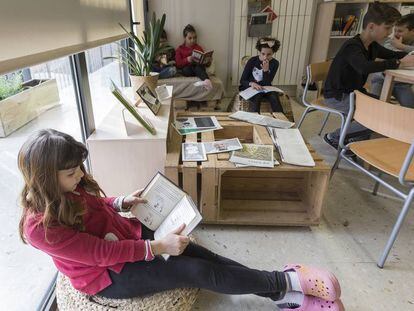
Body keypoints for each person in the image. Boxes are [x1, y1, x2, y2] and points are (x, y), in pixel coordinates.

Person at [19, 129, 345, 311]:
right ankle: (283, 283)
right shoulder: (38, 227)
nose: (79, 176)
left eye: (78, 169)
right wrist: (158, 246)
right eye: (71, 173)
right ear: (46, 177)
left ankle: (280, 292)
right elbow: (101, 254)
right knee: (198, 271)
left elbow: (93, 204)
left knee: (202, 254)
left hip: (128, 238)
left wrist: (119, 202)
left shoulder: (70, 186)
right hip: (108, 276)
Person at [323, 2, 414, 149]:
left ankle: (354, 141)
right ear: (371, 26)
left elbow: (393, 54)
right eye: (387, 28)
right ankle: (335, 137)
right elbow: (364, 67)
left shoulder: (372, 45)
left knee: (386, 109)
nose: (390, 33)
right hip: (337, 96)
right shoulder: (352, 46)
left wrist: (408, 55)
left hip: (354, 94)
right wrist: (399, 63)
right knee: (380, 117)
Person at [370, 13, 414, 108]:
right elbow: (391, 56)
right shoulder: (390, 42)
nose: (396, 34)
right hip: (381, 79)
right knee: (374, 106)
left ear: (412, 31)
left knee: (411, 108)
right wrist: (400, 47)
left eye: (400, 31)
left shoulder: (400, 44)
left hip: (401, 83)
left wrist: (402, 47)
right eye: (395, 30)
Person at [239, 37, 283, 113]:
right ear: (260, 51)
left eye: (269, 54)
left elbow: (267, 83)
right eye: (263, 54)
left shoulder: (275, 63)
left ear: (273, 53)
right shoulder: (252, 61)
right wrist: (252, 83)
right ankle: (255, 119)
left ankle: (282, 120)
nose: (265, 57)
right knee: (257, 96)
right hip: (250, 87)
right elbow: (242, 80)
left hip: (265, 88)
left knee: (274, 96)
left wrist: (266, 71)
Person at [175, 24, 213, 90]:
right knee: (187, 68)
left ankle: (207, 81)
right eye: (190, 38)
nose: (193, 40)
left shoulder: (198, 47)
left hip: (199, 69)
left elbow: (205, 65)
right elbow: (178, 64)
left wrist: (208, 61)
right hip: (187, 70)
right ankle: (205, 79)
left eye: (195, 38)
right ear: (184, 38)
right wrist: (187, 60)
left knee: (198, 66)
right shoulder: (180, 49)